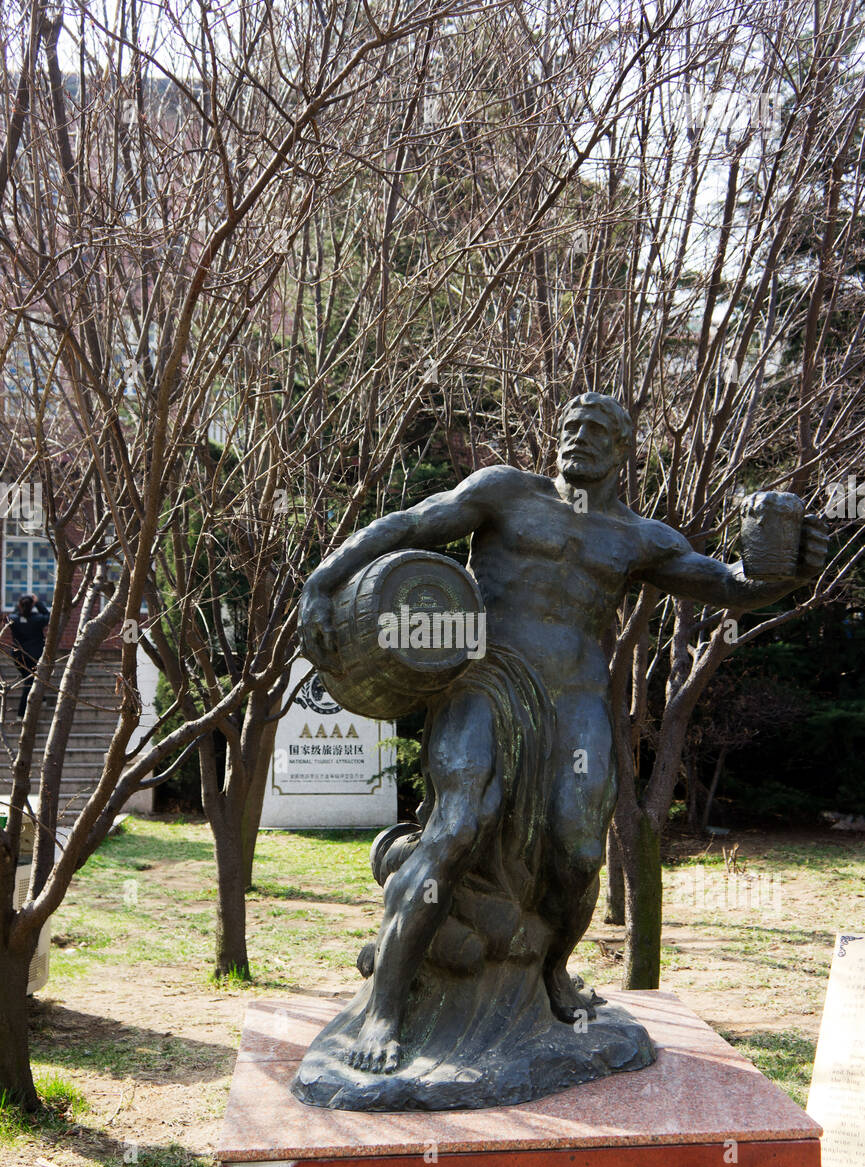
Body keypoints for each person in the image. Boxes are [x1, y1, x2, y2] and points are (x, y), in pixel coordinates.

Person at [300, 392, 828, 1073]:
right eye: (569, 424)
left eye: (597, 429)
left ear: (621, 450)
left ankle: (553, 973)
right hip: (486, 682)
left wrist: (783, 567)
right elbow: (406, 524)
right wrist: (321, 580)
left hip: (574, 703)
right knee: (458, 826)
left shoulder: (638, 537)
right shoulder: (504, 493)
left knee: (579, 850)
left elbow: (728, 584)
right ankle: (385, 1007)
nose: (578, 435)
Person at [7, 594, 50, 718]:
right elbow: (48, 616)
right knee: (30, 681)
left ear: (20, 606)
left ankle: (42, 699)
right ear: (32, 606)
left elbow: (9, 618)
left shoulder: (14, 619)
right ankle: (21, 713)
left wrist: (18, 606)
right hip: (34, 656)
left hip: (18, 656)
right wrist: (38, 603)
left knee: (30, 678)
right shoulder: (37, 619)